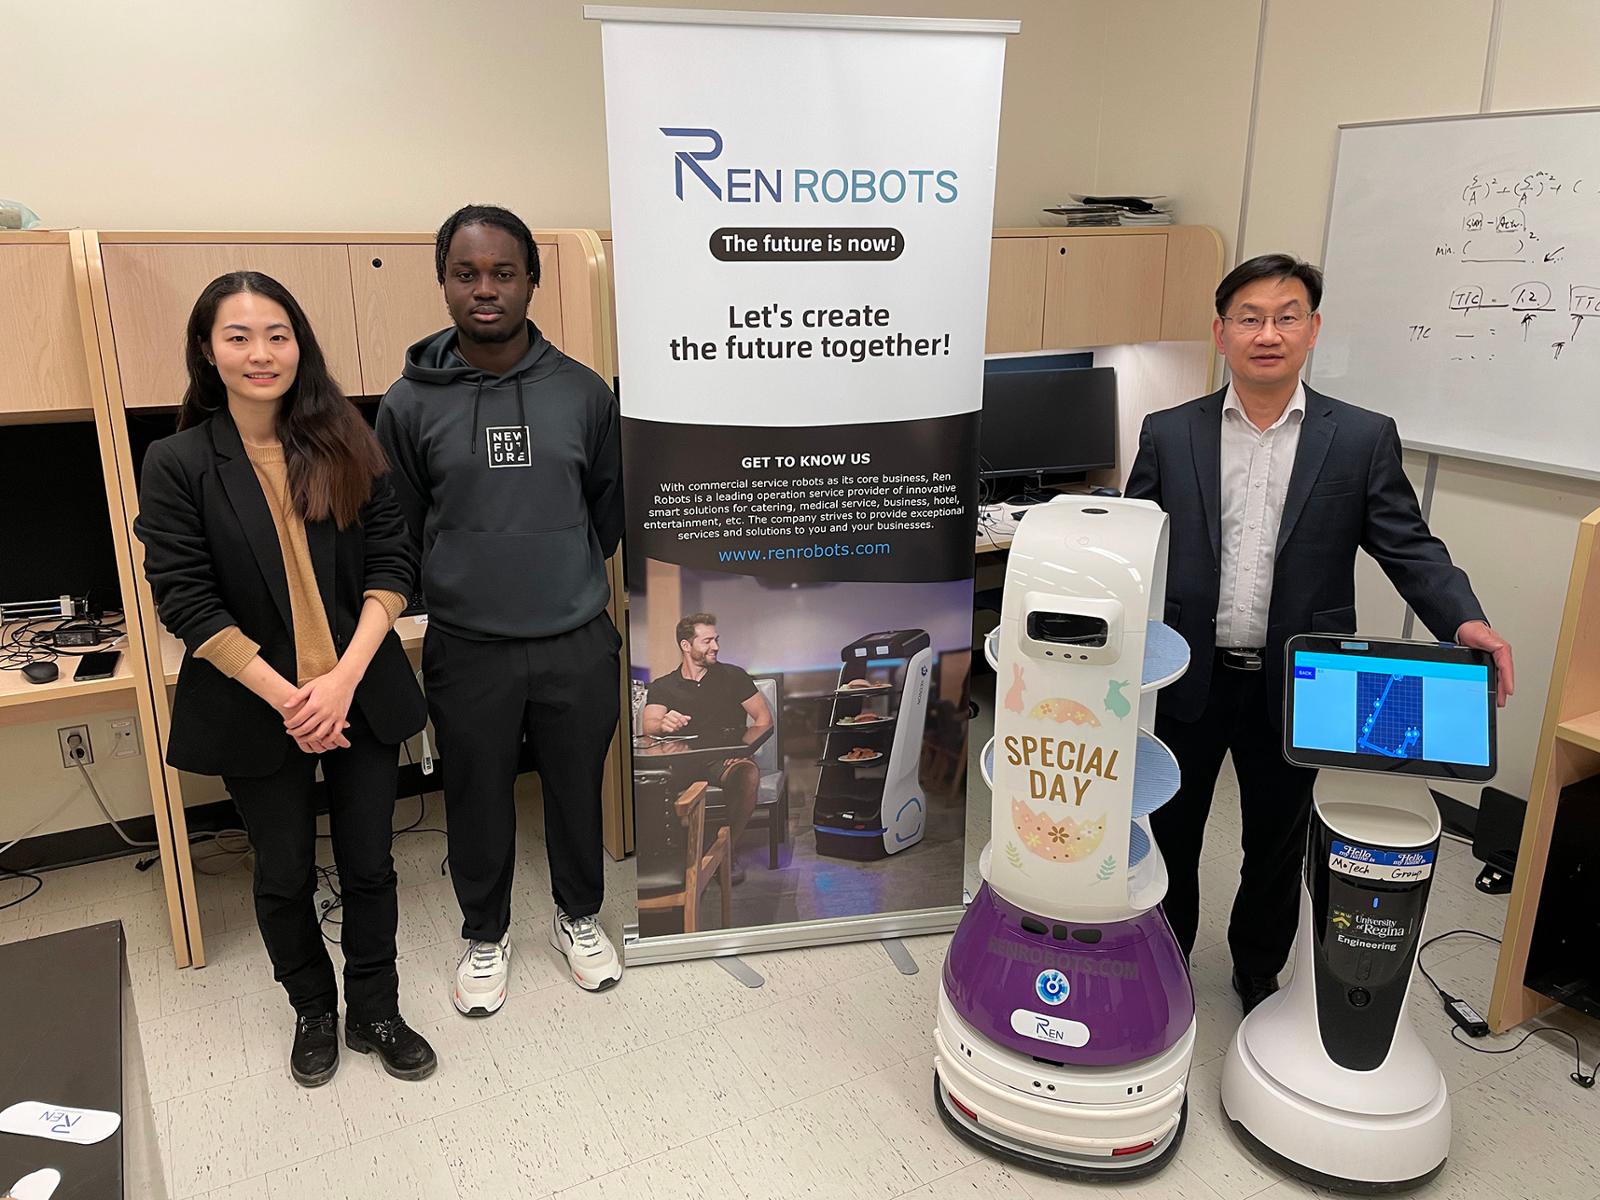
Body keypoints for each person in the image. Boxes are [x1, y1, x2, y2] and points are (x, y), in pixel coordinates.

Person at [1125, 253, 1514, 1014]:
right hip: (1186, 675)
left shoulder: (1361, 437)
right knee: (1169, 824)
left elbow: (1409, 546)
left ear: (1312, 330)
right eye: (1249, 318)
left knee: (1275, 842)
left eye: (1286, 316)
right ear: (1221, 332)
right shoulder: (1170, 433)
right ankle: (1163, 961)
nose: (1267, 333)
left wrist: (1465, 619)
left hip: (1302, 682)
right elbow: (1136, 543)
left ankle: (1257, 968)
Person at [136, 271, 436, 1086]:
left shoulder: (348, 441)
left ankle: (376, 1006)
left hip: (357, 691)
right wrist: (293, 697)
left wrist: (340, 681)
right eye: (238, 336)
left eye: (277, 334)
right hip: (256, 702)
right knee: (284, 872)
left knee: (371, 861)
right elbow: (186, 601)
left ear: (300, 344)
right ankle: (313, 1007)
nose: (260, 352)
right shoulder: (179, 463)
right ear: (207, 349)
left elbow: (393, 562)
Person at [375, 205, 624, 1007]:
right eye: (466, 273)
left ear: (532, 282)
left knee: (575, 789)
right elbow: (403, 526)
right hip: (467, 645)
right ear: (444, 282)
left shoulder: (583, 394)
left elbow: (607, 514)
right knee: (475, 796)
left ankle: (578, 917)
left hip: (574, 637)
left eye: (503, 273)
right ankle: (484, 936)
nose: (485, 290)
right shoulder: (407, 405)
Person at [642, 613, 774, 880]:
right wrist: (663, 725)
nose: (715, 646)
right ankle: (667, 862)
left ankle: (725, 853)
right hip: (680, 762)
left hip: (723, 761)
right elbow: (650, 725)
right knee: (646, 782)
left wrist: (741, 751)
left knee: (747, 773)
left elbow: (764, 720)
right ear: (686, 646)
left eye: (716, 639)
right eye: (707, 641)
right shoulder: (664, 686)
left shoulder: (733, 676)